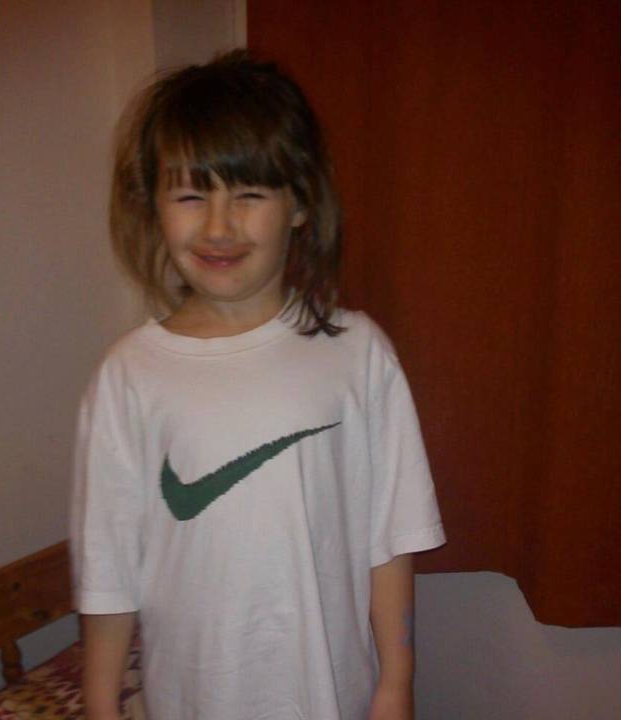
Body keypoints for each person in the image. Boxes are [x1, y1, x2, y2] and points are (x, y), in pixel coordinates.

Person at [70, 50, 445, 720]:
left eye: (249, 195)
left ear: (299, 204)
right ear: (154, 205)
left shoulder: (359, 354)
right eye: (191, 195)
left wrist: (397, 684)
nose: (218, 226)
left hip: (334, 699)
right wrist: (102, 707)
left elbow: (389, 542)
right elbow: (108, 578)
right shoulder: (128, 378)